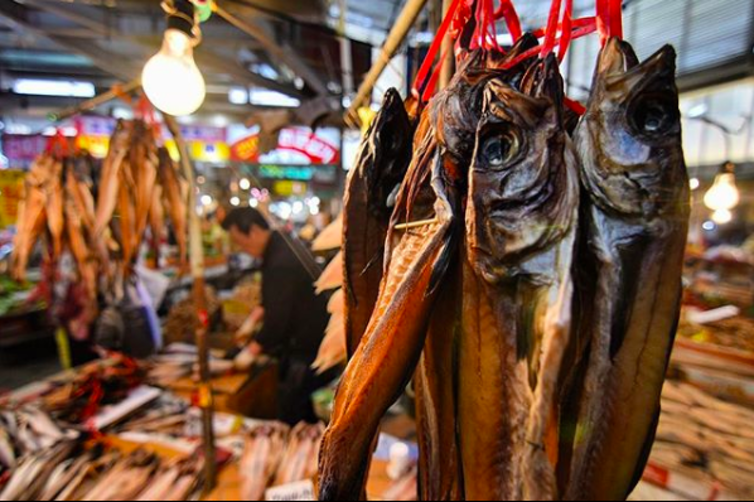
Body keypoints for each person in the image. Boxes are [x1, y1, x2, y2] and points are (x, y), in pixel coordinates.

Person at [221, 207, 331, 425]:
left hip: (306, 351)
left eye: (239, 241)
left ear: (253, 231)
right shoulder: (282, 245)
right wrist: (254, 318)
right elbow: (278, 298)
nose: (240, 248)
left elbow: (278, 319)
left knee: (296, 416)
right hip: (315, 343)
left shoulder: (281, 261)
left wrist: (252, 350)